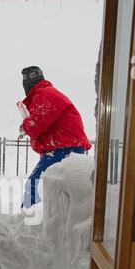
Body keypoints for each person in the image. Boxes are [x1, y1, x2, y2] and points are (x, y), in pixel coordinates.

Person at [19, 66, 92, 208]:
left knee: (35, 184)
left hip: (65, 148)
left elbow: (36, 125)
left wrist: (25, 125)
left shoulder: (44, 94)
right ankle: (38, 218)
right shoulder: (45, 94)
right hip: (64, 147)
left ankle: (30, 219)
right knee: (50, 188)